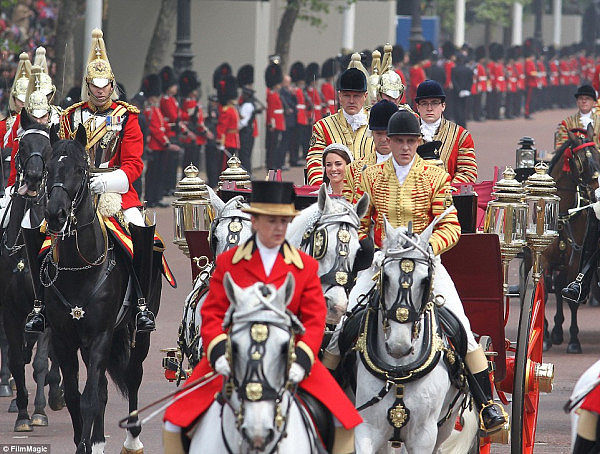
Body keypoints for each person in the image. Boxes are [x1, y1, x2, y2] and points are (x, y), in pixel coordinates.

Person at [162, 180, 362, 454]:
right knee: (174, 421)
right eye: (272, 220)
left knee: (344, 422)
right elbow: (212, 314)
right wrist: (220, 353)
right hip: (234, 356)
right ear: (254, 221)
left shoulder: (305, 266)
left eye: (284, 221)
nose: (280, 228)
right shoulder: (229, 262)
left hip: (290, 356)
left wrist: (302, 361)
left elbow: (315, 319)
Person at [344, 110, 507, 434]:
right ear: (387, 142)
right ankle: (329, 396)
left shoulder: (435, 177)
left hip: (426, 266)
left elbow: (450, 224)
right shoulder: (371, 176)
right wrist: (372, 250)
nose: (405, 147)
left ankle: (486, 402)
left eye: (410, 141)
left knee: (461, 326)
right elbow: (357, 221)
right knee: (343, 325)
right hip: (383, 265)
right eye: (399, 141)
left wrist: (429, 249)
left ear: (419, 142)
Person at [56, 28, 156, 333]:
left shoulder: (127, 116)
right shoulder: (71, 117)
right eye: (95, 86)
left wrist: (107, 182)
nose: (101, 91)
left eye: (105, 86)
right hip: (75, 191)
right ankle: (39, 305)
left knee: (140, 231)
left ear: (111, 86)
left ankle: (140, 305)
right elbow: (61, 155)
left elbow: (134, 164)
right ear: (88, 86)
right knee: (42, 230)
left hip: (115, 190)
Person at [306, 68, 374, 185]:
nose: (351, 101)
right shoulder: (323, 126)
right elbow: (315, 162)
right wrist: (322, 192)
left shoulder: (377, 125)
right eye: (347, 95)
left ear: (365, 96)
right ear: (340, 96)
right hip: (334, 195)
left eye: (356, 96)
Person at [415, 80, 477, 184]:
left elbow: (468, 172)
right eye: (424, 103)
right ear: (418, 107)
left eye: (434, 103)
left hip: (449, 197)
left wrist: (446, 192)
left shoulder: (461, 135)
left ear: (443, 106)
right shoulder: (405, 133)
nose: (429, 108)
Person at [342, 99, 398, 202]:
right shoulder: (353, 169)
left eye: (388, 133)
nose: (383, 139)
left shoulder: (412, 167)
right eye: (378, 133)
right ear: (371, 133)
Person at [142, 74, 171, 208]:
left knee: (159, 173)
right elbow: (154, 128)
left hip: (161, 146)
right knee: (152, 175)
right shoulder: (149, 111)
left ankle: (157, 196)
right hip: (154, 145)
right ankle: (150, 198)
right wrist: (164, 140)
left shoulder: (156, 110)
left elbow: (162, 126)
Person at [159, 66, 182, 194]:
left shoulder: (172, 99)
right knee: (169, 162)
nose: (176, 88)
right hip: (169, 133)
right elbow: (173, 116)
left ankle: (171, 185)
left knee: (174, 162)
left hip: (174, 131)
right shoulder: (165, 100)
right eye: (173, 86)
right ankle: (167, 187)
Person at [555, 84, 600, 150]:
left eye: (588, 99)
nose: (584, 101)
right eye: (581, 98)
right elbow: (560, 147)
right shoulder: (567, 123)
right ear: (577, 102)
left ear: (594, 103)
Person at [215, 74, 240, 170]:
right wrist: (220, 142)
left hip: (234, 139)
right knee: (225, 166)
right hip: (228, 140)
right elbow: (222, 127)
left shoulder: (232, 108)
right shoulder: (227, 110)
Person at [265, 62, 285, 170]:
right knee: (272, 146)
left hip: (279, 122)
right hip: (275, 123)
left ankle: (274, 164)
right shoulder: (272, 95)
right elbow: (271, 111)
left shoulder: (275, 94)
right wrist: (271, 124)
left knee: (276, 145)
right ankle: (271, 164)